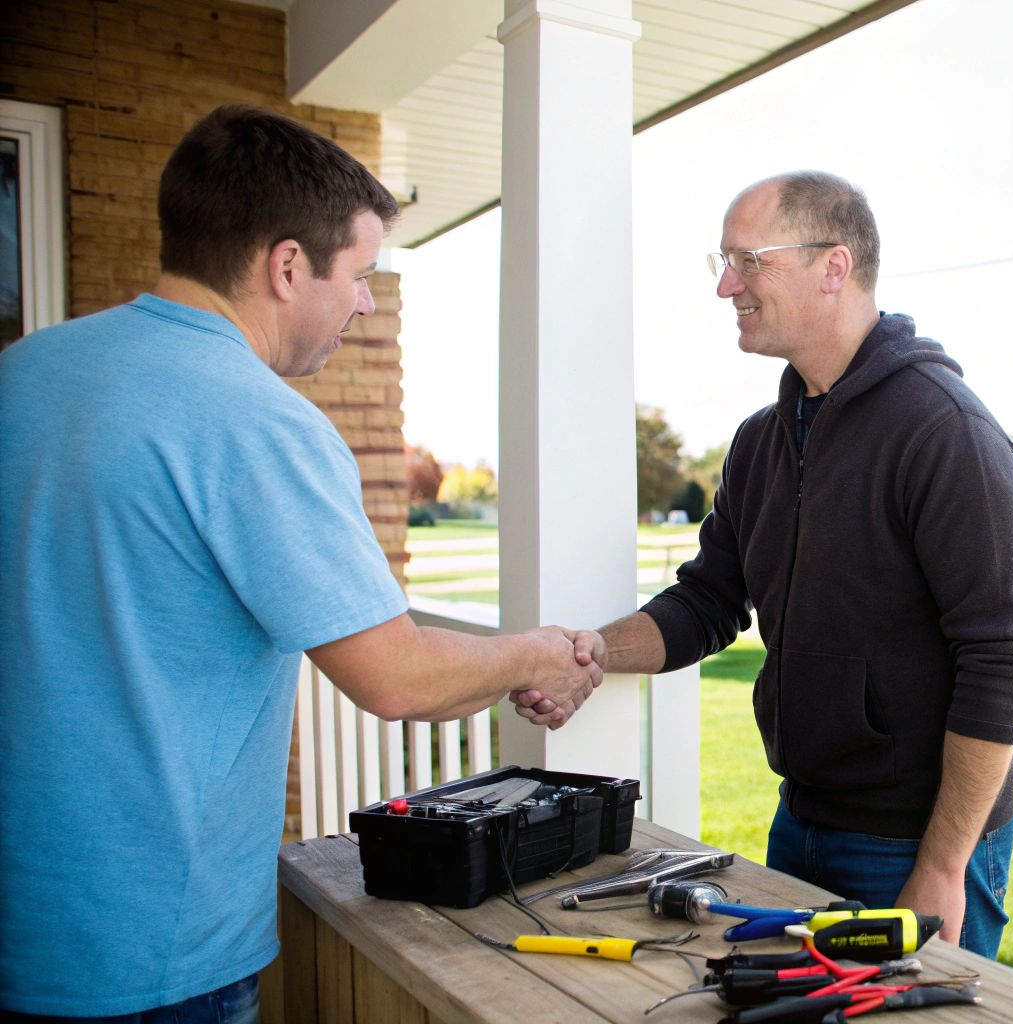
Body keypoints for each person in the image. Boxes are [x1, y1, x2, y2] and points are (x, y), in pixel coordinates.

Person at [0, 105, 599, 1020]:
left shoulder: (27, 372)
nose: (365, 301)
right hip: (144, 947)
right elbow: (394, 677)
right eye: (359, 273)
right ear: (286, 266)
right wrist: (538, 654)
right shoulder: (256, 420)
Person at [518, 171, 1013, 957]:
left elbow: (1002, 656)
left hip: (914, 840)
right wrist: (593, 651)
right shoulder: (764, 439)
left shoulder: (944, 432)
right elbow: (708, 600)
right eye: (723, 262)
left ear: (834, 267)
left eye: (748, 260)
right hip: (800, 819)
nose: (727, 285)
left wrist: (942, 865)